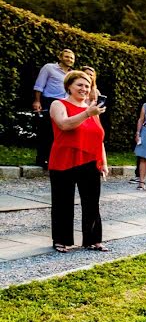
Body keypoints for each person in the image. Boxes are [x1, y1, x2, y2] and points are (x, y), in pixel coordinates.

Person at [48, 70, 109, 253]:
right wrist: (87, 113)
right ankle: (61, 240)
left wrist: (103, 162)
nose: (84, 89)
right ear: (69, 86)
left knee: (92, 202)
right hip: (64, 158)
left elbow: (99, 138)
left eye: (87, 85)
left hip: (89, 160)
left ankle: (92, 239)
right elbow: (64, 124)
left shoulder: (93, 109)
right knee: (62, 201)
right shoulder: (58, 104)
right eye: (80, 85)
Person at [33, 48, 75, 168]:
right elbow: (39, 85)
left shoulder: (72, 74)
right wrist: (37, 101)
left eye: (72, 58)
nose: (69, 59)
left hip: (65, 104)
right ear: (60, 57)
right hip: (49, 102)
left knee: (60, 132)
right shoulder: (49, 68)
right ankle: (42, 159)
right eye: (67, 56)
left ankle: (55, 159)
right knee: (46, 131)